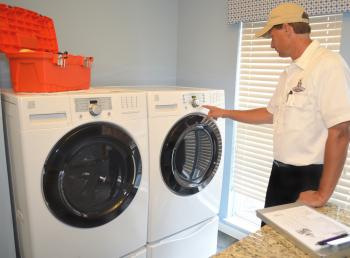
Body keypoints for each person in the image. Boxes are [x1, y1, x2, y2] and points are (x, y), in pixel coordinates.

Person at [204, 2, 350, 210]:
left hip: (308, 177)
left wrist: (321, 195)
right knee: (269, 234)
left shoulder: (328, 65)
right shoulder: (291, 73)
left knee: (293, 241)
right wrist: (225, 113)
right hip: (280, 173)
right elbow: (270, 113)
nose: (272, 44)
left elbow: (341, 131)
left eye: (272, 36)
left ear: (287, 29)